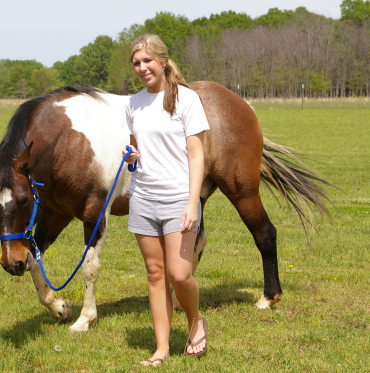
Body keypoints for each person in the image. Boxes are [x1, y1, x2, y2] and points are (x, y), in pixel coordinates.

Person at [122, 34, 210, 367]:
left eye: (147, 61)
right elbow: (136, 148)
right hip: (143, 197)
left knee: (180, 273)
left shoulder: (186, 99)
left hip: (178, 198)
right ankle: (161, 348)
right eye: (136, 63)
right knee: (155, 274)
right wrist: (131, 156)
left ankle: (195, 320)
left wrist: (192, 203)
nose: (142, 68)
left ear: (161, 60)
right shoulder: (132, 104)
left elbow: (196, 155)